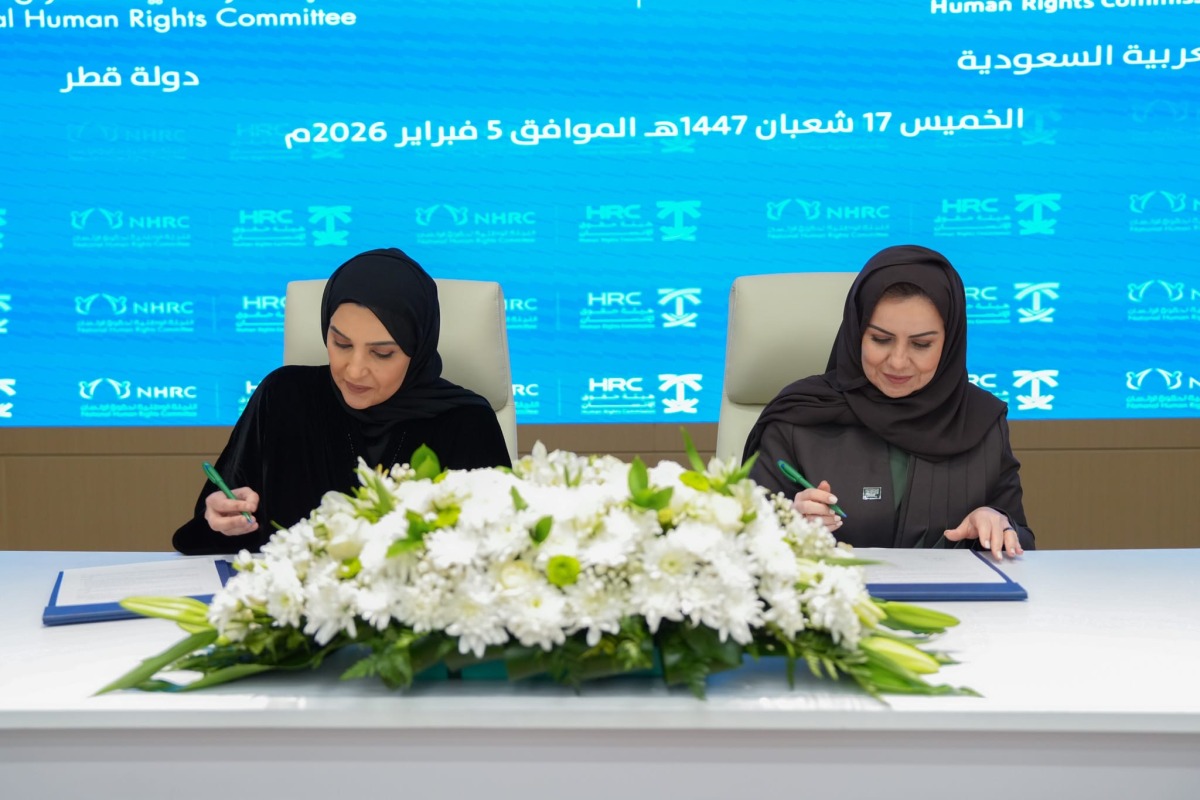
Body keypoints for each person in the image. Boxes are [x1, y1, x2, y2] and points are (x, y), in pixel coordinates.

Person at [173, 248, 512, 555]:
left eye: (382, 353)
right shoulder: (284, 398)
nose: (355, 370)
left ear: (418, 349)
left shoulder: (467, 423)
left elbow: (499, 553)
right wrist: (221, 518)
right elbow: (220, 531)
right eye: (341, 344)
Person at [743, 244, 1034, 559]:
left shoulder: (981, 421)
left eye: (921, 344)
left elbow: (1021, 542)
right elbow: (744, 543)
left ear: (949, 343)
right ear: (855, 333)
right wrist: (789, 524)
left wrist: (997, 525)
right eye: (880, 340)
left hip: (957, 607)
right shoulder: (799, 416)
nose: (897, 362)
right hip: (831, 604)